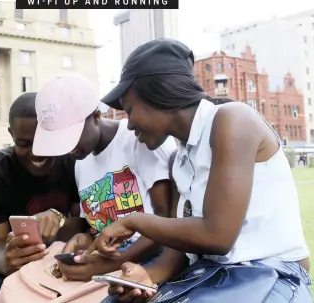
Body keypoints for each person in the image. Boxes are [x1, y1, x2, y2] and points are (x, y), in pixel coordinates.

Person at [86, 39, 311, 302]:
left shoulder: (233, 120)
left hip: (271, 273)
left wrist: (134, 220)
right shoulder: (178, 158)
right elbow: (178, 251)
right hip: (213, 275)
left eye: (130, 109)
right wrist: (145, 276)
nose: (130, 123)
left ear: (158, 93)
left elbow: (217, 236)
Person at [32, 72, 177, 281]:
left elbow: (167, 222)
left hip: (151, 266)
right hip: (107, 264)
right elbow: (97, 225)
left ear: (96, 116)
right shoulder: (81, 162)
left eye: (72, 137)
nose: (69, 148)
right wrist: (85, 240)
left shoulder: (141, 140)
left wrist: (111, 264)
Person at [0, 93, 84, 303]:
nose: (36, 152)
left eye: (44, 141)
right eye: (24, 143)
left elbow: (85, 226)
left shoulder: (73, 161)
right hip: (18, 262)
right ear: (11, 134)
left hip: (65, 255)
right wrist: (7, 262)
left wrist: (58, 218)